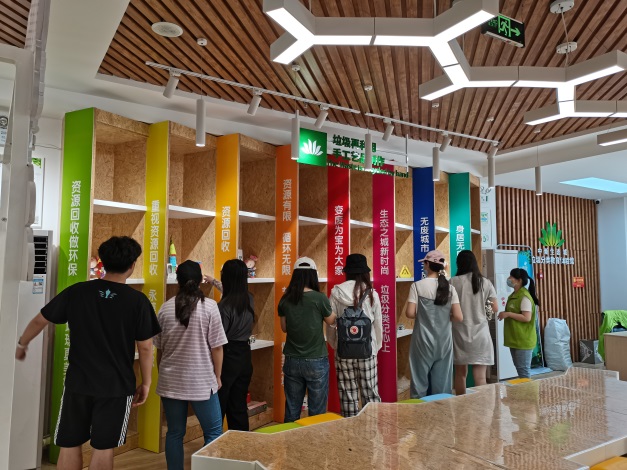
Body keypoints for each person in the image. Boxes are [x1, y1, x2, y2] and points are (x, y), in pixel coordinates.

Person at [15, 236, 161, 470]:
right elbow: (145, 347)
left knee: (69, 443)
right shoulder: (138, 301)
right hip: (116, 386)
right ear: (132, 264)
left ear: (102, 262)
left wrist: (22, 344)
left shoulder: (77, 292)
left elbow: (40, 320)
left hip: (78, 382)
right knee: (103, 448)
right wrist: (146, 382)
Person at [154, 260, 227, 470]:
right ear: (200, 280)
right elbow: (217, 348)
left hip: (170, 381)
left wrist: (162, 373)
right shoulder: (210, 307)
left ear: (177, 280)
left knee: (174, 433)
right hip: (201, 381)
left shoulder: (165, 308)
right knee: (213, 432)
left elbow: (159, 349)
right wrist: (218, 376)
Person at [278, 257, 336, 422]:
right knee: (317, 412)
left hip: (292, 359)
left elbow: (284, 328)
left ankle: (290, 438)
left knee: (292, 410)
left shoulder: (285, 299)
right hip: (316, 360)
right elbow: (331, 321)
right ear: (313, 276)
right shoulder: (320, 298)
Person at [327, 253, 382, 417]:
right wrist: (375, 348)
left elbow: (331, 324)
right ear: (365, 272)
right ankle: (372, 428)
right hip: (367, 351)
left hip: (343, 351)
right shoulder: (371, 294)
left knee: (347, 396)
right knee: (370, 394)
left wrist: (335, 345)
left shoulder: (336, 293)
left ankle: (351, 430)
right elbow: (378, 325)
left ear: (347, 272)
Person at [406, 250, 463, 398]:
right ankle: (441, 411)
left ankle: (419, 411)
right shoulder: (450, 288)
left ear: (427, 264)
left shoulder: (417, 286)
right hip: (444, 342)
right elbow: (458, 316)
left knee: (419, 383)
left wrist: (424, 315)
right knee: (442, 385)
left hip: (422, 341)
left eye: (424, 263)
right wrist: (444, 317)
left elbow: (410, 313)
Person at [208, 259, 255, 431]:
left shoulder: (222, 307)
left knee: (219, 405)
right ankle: (240, 443)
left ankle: (215, 442)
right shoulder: (249, 299)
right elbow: (231, 292)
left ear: (226, 278)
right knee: (238, 406)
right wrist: (213, 282)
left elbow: (218, 340)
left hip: (227, 356)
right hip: (244, 355)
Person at [450, 250, 498, 395]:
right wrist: (483, 312)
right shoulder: (485, 282)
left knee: (460, 374)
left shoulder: (453, 282)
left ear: (459, 264)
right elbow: (495, 307)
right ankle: (480, 405)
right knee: (480, 377)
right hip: (481, 333)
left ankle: (461, 403)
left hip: (459, 333)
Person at [498, 268, 540, 379]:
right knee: (520, 369)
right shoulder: (513, 295)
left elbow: (527, 317)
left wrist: (508, 314)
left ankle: (528, 391)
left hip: (523, 340)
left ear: (519, 280)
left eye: (511, 277)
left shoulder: (524, 296)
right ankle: (524, 390)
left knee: (523, 371)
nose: (508, 279)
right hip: (515, 339)